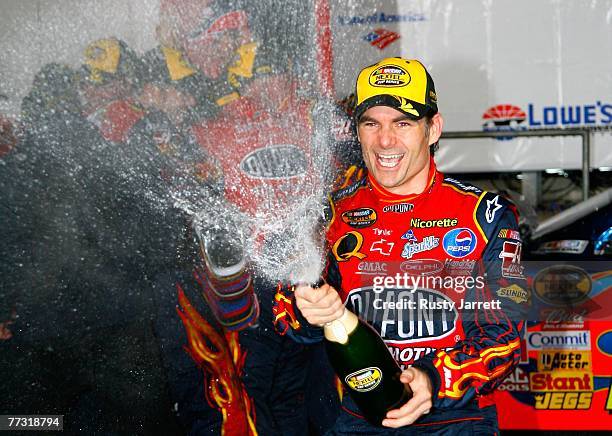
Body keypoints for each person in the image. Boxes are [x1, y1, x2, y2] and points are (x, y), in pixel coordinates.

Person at [285, 57, 528, 434]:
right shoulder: (330, 213)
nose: (385, 140)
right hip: (359, 418)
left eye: (403, 123)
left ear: (433, 129)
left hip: (456, 419)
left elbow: (508, 335)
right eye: (372, 124)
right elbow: (285, 317)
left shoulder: (487, 215)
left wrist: (433, 379)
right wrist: (305, 310)